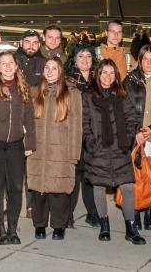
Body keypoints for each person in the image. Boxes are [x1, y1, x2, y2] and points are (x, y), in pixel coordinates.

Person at [84, 59, 144, 244]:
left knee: (127, 188)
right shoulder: (88, 96)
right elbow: (84, 123)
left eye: (112, 73)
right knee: (99, 188)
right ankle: (104, 226)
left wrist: (126, 141)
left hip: (120, 149)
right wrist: (91, 142)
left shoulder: (122, 95)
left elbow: (131, 118)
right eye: (104, 73)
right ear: (98, 74)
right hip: (98, 150)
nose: (108, 77)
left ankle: (131, 228)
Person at [0, 51, 36, 244]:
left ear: (16, 65)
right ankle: (0, 230)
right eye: (3, 63)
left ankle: (13, 228)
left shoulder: (23, 87)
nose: (7, 66)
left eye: (10, 63)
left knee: (15, 188)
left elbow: (29, 118)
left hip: (16, 145)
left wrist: (30, 142)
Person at [27, 57, 82, 240]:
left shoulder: (72, 94)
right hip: (38, 150)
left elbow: (76, 126)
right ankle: (39, 224)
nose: (49, 71)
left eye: (54, 68)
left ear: (60, 71)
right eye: (46, 68)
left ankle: (59, 225)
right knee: (39, 190)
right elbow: (27, 123)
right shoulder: (34, 92)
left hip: (61, 150)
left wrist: (74, 154)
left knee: (59, 191)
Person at [124, 45, 151, 231]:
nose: (149, 63)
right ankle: (135, 212)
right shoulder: (129, 80)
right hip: (135, 135)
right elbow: (125, 109)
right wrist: (137, 131)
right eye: (145, 59)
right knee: (135, 176)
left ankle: (149, 213)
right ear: (139, 61)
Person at [64, 44, 100, 228]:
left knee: (91, 175)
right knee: (73, 176)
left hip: (94, 135)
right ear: (74, 60)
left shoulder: (100, 79)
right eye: (80, 56)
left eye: (88, 56)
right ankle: (67, 214)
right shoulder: (68, 81)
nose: (85, 60)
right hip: (73, 135)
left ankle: (93, 212)